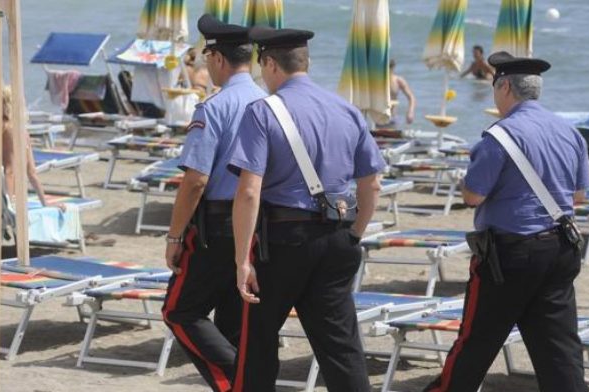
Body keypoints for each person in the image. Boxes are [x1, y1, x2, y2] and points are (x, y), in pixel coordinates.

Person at [228, 26, 386, 391]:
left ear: (269, 64)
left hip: (284, 239)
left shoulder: (263, 111)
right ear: (306, 62)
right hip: (337, 234)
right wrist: (356, 234)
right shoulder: (347, 110)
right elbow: (372, 184)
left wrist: (241, 261)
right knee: (341, 346)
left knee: (258, 343)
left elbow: (249, 192)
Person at [424, 51, 589, 391]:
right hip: (560, 246)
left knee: (476, 341)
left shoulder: (500, 136)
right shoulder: (569, 132)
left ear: (504, 87)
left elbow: (473, 196)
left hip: (510, 252)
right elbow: (578, 197)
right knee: (558, 346)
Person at [161, 14, 266, 392]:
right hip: (259, 224)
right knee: (233, 323)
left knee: (179, 310)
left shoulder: (215, 106)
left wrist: (174, 237)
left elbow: (195, 181)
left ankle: (245, 383)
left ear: (218, 58)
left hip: (218, 224)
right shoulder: (269, 102)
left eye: (207, 57)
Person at [1, 87, 65, 211]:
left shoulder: (5, 129)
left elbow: (9, 171)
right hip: (11, 195)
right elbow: (31, 172)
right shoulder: (22, 132)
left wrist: (7, 207)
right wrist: (44, 202)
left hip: (2, 194)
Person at [389, 59, 416, 124]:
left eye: (390, 67)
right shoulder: (376, 81)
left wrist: (410, 112)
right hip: (377, 119)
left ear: (393, 67)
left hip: (392, 118)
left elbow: (411, 97)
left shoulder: (398, 81)